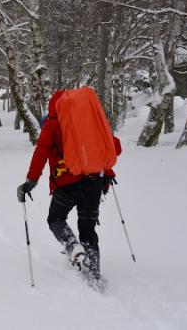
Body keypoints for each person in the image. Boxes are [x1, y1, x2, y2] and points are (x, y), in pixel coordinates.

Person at [17, 90, 122, 286]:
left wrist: (31, 181)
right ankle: (94, 276)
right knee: (88, 228)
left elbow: (41, 151)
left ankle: (72, 246)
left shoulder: (52, 123)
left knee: (56, 218)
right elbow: (114, 147)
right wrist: (107, 175)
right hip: (93, 183)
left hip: (66, 184)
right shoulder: (90, 121)